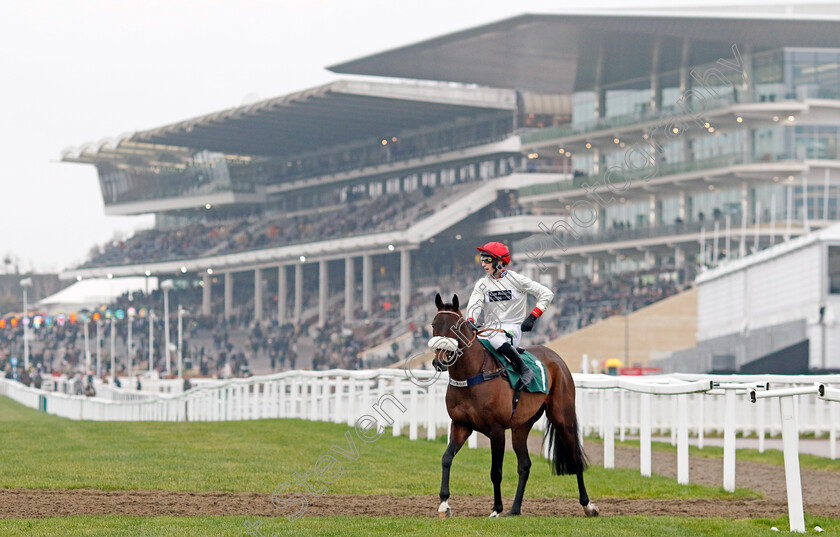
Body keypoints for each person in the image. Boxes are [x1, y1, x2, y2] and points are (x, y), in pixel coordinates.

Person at [465, 241, 554, 387]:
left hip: (511, 329)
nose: (483, 264)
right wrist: (470, 320)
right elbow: (474, 305)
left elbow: (546, 293)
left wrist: (533, 316)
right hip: (489, 329)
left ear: (500, 262)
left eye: (487, 260)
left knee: (495, 338)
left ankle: (525, 370)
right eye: (482, 259)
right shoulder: (481, 284)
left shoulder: (517, 280)